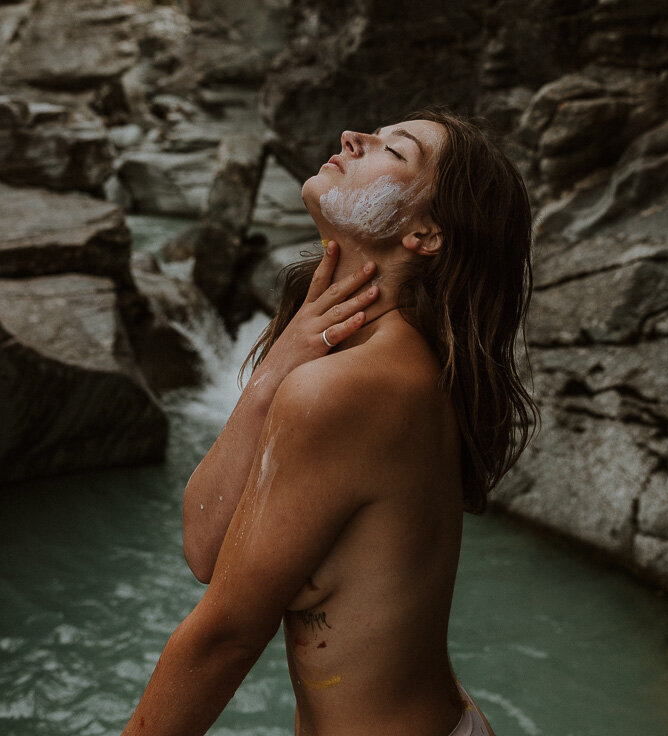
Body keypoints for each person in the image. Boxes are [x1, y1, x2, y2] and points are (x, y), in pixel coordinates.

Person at [120, 108, 539, 736]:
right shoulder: (363, 361)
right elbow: (204, 546)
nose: (353, 137)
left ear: (425, 234)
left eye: (394, 151)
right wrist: (267, 380)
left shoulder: (354, 387)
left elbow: (225, 638)